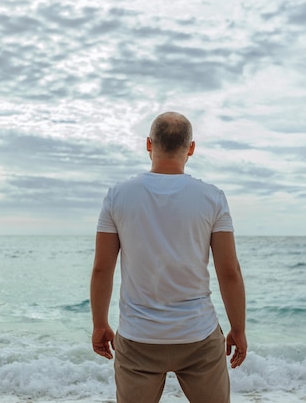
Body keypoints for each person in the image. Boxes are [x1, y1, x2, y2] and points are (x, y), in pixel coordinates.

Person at [90, 112, 247, 403]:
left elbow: (102, 268)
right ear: (191, 148)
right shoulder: (212, 197)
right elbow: (229, 272)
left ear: (149, 144)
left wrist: (99, 324)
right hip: (198, 335)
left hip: (138, 338)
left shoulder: (118, 196)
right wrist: (238, 329)